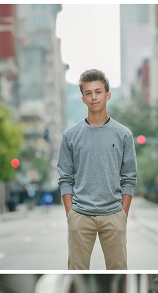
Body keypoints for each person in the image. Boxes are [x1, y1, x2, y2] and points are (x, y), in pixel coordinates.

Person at [57, 69, 137, 270]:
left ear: (107, 95)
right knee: (77, 272)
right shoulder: (70, 136)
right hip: (80, 215)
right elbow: (65, 178)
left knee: (118, 272)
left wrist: (122, 213)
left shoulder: (123, 135)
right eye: (88, 93)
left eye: (98, 92)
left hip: (113, 214)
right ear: (83, 98)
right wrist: (71, 213)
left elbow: (129, 177)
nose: (94, 97)